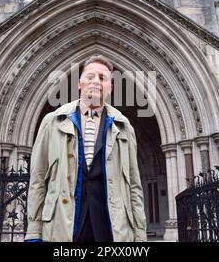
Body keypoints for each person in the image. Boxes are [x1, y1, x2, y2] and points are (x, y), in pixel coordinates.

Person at [25, 55, 147, 242]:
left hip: (111, 226)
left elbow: (134, 185)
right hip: (63, 224)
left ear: (110, 88)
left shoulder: (124, 127)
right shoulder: (52, 122)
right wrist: (34, 230)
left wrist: (139, 234)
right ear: (79, 84)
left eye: (102, 78)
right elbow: (38, 179)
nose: (96, 82)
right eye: (90, 77)